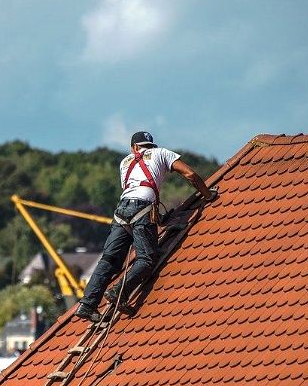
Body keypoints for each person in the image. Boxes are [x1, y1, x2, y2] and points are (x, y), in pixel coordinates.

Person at [74, 131, 217, 322]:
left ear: (134, 147)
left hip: (121, 212)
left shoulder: (124, 162)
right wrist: (208, 195)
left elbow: (133, 186)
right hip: (142, 208)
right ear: (150, 145)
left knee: (109, 260)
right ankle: (119, 292)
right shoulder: (161, 153)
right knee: (147, 258)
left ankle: (87, 304)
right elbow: (190, 174)